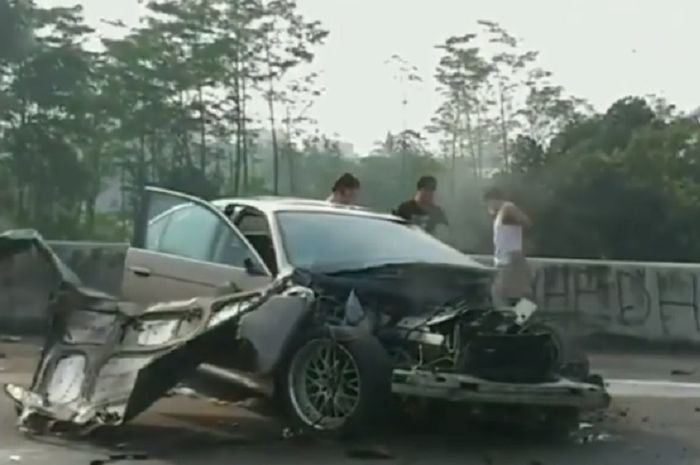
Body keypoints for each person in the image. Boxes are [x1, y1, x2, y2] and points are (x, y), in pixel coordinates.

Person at [483, 186, 533, 308]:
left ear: (493, 200)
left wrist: (517, 221)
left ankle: (517, 321)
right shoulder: (501, 213)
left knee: (498, 294)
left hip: (510, 259)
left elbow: (526, 222)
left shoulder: (507, 208)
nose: (487, 208)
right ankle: (522, 321)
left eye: (487, 204)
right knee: (514, 296)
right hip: (505, 260)